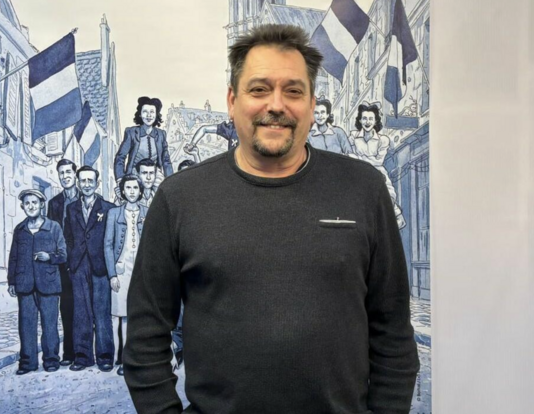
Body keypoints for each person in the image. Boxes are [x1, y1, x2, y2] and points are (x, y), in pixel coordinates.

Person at [124, 24, 419, 414]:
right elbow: (145, 335)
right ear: (232, 101)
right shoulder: (178, 198)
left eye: (293, 91)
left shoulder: (364, 189)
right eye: (259, 89)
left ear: (312, 105)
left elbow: (393, 332)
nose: (276, 105)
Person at [7, 189, 66, 375]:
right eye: (27, 203)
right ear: (22, 207)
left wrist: (49, 257)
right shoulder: (20, 230)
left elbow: (63, 254)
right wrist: (12, 281)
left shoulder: (53, 227)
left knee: (50, 325)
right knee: (26, 326)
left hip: (48, 284)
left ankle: (51, 360)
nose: (31, 206)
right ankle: (28, 363)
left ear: (42, 205)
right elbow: (13, 257)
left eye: (34, 202)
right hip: (25, 284)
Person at [63, 166, 116, 372]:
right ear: (78, 183)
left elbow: (111, 239)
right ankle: (83, 356)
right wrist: (71, 261)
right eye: (83, 181)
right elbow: (68, 237)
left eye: (90, 181)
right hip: (78, 265)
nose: (86, 184)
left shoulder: (108, 208)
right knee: (81, 313)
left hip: (100, 265)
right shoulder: (71, 209)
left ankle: (105, 356)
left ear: (97, 183)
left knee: (102, 312)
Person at [104, 174, 148, 376]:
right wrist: (112, 274)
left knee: (137, 316)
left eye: (135, 188)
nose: (131, 191)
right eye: (128, 188)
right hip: (121, 271)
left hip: (140, 271)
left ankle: (135, 358)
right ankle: (120, 358)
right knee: (121, 316)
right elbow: (108, 245)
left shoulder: (147, 212)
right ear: (122, 191)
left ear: (140, 191)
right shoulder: (114, 213)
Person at [349, 102, 406, 229]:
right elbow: (349, 157)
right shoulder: (353, 137)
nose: (367, 122)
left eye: (370, 118)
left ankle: (392, 219)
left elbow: (378, 161)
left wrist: (358, 158)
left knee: (388, 196)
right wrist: (359, 159)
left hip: (377, 172)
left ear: (375, 121)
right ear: (360, 120)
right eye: (364, 118)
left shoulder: (383, 140)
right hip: (358, 172)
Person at [46, 159, 78, 366]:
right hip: (62, 264)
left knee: (83, 308)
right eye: (62, 173)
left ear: (75, 174)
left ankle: (85, 352)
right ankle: (69, 353)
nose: (65, 176)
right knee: (66, 308)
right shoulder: (54, 203)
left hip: (82, 262)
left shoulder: (85, 197)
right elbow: (51, 235)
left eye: (68, 172)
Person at [114, 97, 173, 184]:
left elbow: (166, 160)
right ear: (140, 114)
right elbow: (120, 157)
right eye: (145, 112)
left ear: (156, 114)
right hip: (135, 175)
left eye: (152, 112)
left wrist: (170, 181)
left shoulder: (161, 134)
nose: (149, 115)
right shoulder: (131, 132)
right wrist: (120, 179)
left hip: (155, 176)